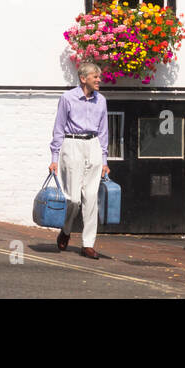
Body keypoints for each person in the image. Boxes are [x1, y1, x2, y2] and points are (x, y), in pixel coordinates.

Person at [48, 62, 109, 259]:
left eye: (99, 77)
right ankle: (66, 230)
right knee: (73, 198)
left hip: (93, 145)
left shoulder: (101, 101)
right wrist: (54, 157)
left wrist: (104, 159)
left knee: (91, 198)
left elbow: (104, 131)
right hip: (72, 144)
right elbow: (59, 127)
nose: (99, 80)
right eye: (95, 76)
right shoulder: (67, 98)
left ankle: (88, 244)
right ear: (84, 78)